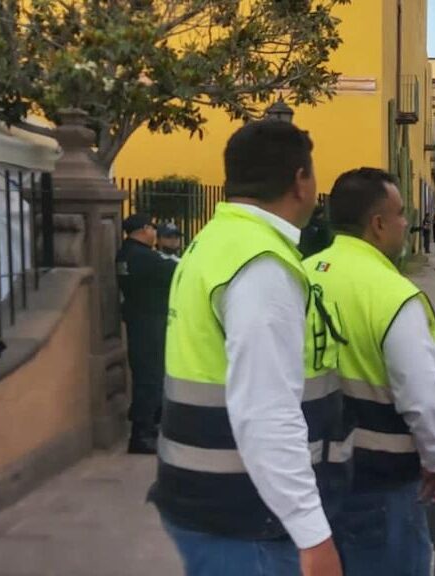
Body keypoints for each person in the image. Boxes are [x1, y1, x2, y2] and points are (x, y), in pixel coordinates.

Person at [151, 120, 348, 576]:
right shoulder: (261, 265)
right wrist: (312, 533)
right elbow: (266, 411)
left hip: (209, 501)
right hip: (247, 518)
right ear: (301, 180)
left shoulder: (214, 241)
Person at [307, 168, 435, 576]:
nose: (406, 224)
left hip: (305, 476)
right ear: (377, 224)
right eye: (401, 214)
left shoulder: (300, 276)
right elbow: (423, 398)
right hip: (377, 480)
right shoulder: (393, 295)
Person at [116, 213, 177, 454]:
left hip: (138, 319)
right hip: (151, 321)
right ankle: (141, 435)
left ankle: (147, 428)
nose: (155, 233)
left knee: (145, 375)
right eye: (152, 228)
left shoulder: (125, 254)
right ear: (143, 230)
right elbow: (176, 269)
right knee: (150, 378)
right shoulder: (145, 257)